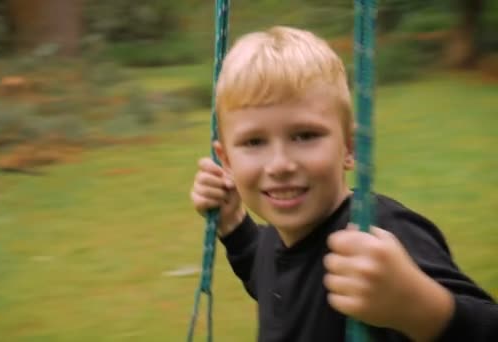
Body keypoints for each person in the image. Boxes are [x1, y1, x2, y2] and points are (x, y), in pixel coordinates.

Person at [190, 26, 497, 342]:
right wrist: (231, 222)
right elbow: (271, 281)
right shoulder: (276, 240)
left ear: (349, 148)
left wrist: (418, 306)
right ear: (225, 161)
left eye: (305, 135)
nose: (280, 164)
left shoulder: (379, 232)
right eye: (254, 142)